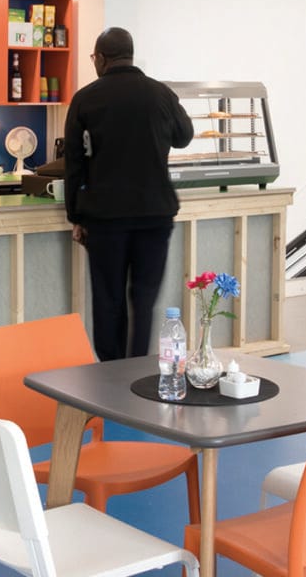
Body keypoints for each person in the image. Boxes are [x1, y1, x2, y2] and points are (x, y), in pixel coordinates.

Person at [64, 27, 194, 361]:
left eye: (94, 57)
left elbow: (74, 164)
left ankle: (111, 373)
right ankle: (137, 369)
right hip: (155, 214)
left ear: (102, 58)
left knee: (108, 300)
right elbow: (184, 137)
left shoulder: (86, 98)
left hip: (106, 217)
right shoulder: (161, 94)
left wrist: (75, 217)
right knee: (145, 299)